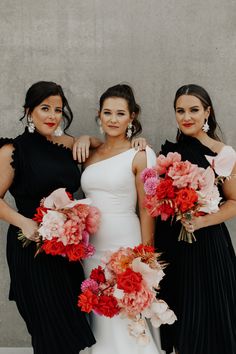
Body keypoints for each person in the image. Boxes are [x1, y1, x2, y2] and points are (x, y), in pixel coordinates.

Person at [0, 81, 96, 354]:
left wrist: (87, 138)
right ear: (29, 111)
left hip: (67, 248)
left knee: (71, 325)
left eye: (58, 109)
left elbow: (103, 145)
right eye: (45, 108)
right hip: (31, 246)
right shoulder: (12, 151)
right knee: (48, 328)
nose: (53, 116)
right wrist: (23, 222)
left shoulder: (68, 144)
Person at [80, 84, 161, 354]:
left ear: (132, 117)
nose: (113, 119)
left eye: (120, 113)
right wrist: (82, 138)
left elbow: (147, 208)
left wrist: (146, 254)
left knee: (125, 309)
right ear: (99, 115)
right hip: (89, 247)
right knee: (99, 312)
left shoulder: (141, 154)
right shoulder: (89, 153)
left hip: (124, 246)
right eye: (107, 113)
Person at [155, 84, 236, 354]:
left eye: (194, 110)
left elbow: (234, 202)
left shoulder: (223, 154)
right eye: (180, 110)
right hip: (174, 246)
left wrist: (200, 221)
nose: (186, 116)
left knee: (207, 318)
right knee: (180, 315)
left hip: (207, 247)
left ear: (207, 112)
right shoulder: (169, 153)